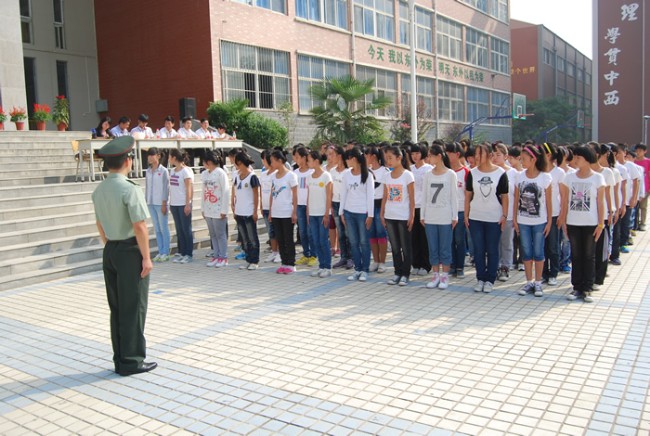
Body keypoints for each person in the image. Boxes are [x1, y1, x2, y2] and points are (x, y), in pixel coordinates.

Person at [91, 136, 156, 376]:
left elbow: (99, 223)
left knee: (117, 307)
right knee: (134, 307)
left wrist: (110, 243)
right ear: (128, 161)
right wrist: (146, 257)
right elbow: (139, 226)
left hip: (111, 250)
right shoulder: (129, 188)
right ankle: (132, 361)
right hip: (129, 250)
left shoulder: (99, 190)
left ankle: (120, 357)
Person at [559, 146, 606, 303]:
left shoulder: (597, 178)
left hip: (591, 223)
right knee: (576, 255)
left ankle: (587, 287)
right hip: (573, 222)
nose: (575, 160)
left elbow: (600, 203)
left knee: (589, 255)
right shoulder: (569, 177)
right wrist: (563, 219)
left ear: (587, 159)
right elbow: (565, 201)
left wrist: (601, 224)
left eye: (578, 157)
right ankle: (577, 287)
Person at [465, 143, 509, 294]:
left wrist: (504, 215)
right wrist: (466, 215)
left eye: (480, 154)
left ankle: (490, 280)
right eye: (476, 154)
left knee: (492, 249)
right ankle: (480, 279)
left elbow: (505, 197)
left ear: (490, 155)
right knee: (478, 250)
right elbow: (468, 195)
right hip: (475, 217)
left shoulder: (500, 173)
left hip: (494, 217)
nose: (477, 157)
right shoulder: (472, 173)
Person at [514, 145, 552, 297]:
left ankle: (538, 282)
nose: (521, 161)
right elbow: (516, 199)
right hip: (523, 220)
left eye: (524, 159)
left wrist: (549, 221)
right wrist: (515, 219)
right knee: (526, 252)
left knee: (538, 251)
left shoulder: (545, 177)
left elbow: (548, 202)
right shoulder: (519, 176)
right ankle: (529, 281)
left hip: (539, 221)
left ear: (533, 159)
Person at [421, 145, 458, 290]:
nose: (428, 158)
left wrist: (454, 216)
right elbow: (424, 196)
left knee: (444, 247)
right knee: (433, 247)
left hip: (445, 216)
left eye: (431, 155)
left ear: (439, 156)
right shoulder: (428, 175)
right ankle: (435, 275)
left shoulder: (450, 174)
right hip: (430, 216)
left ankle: (445, 276)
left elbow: (454, 197)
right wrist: (422, 215)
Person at [381, 146, 415, 286]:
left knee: (405, 247)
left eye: (390, 157)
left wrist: (412, 216)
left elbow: (412, 198)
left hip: (403, 216)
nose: (388, 161)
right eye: (386, 158)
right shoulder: (387, 176)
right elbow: (385, 196)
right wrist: (382, 213)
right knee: (395, 247)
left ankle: (405, 274)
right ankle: (397, 272)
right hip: (390, 215)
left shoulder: (408, 175)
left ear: (399, 158)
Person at [340, 147, 375, 282]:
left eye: (348, 159)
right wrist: (341, 212)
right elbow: (343, 194)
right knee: (353, 242)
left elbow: (370, 197)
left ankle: (365, 270)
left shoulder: (368, 175)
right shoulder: (346, 175)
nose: (346, 162)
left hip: (362, 214)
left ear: (353, 159)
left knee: (364, 242)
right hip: (349, 212)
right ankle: (357, 269)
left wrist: (370, 215)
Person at [269, 150, 299, 274]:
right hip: (276, 212)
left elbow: (295, 195)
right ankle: (284, 262)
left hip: (287, 212)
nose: (271, 163)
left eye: (273, 161)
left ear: (280, 161)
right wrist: (270, 211)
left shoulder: (291, 175)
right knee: (280, 239)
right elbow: (272, 194)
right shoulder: (273, 176)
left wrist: (294, 212)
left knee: (288, 239)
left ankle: (291, 264)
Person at [306, 150, 333, 277]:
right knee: (316, 241)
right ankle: (321, 265)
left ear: (316, 161)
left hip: (323, 214)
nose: (307, 162)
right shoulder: (309, 177)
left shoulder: (326, 176)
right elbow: (308, 195)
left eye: (309, 160)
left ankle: (327, 267)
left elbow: (329, 196)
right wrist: (307, 211)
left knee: (323, 240)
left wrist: (327, 214)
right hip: (312, 213)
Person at [232, 151, 261, 270]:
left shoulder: (252, 177)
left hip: (249, 212)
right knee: (244, 239)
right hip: (239, 212)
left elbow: (256, 195)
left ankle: (254, 261)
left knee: (252, 238)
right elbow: (236, 193)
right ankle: (248, 259)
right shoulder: (237, 177)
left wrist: (255, 211)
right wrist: (234, 208)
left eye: (235, 162)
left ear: (239, 162)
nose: (234, 165)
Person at [327, 145, 354, 270]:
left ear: (340, 156)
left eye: (334, 154)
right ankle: (343, 257)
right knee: (341, 233)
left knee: (349, 233)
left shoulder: (349, 172)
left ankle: (352, 258)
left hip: (347, 204)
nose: (331, 157)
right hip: (336, 204)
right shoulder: (332, 172)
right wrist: (331, 206)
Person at [492, 143, 516, 282]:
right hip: (492, 214)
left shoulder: (513, 173)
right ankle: (495, 266)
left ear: (506, 156)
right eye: (493, 155)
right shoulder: (490, 171)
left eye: (498, 155)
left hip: (508, 214)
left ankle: (505, 267)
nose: (495, 158)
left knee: (506, 242)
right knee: (494, 243)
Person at [202, 151, 230, 268]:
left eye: (204, 162)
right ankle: (216, 255)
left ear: (209, 162)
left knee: (220, 234)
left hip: (218, 209)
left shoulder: (220, 173)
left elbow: (225, 191)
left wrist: (224, 210)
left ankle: (223, 257)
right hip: (208, 209)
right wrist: (202, 208)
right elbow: (203, 191)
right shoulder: (204, 174)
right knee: (213, 234)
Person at [409, 143, 433, 276]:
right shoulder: (409, 169)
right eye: (412, 154)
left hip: (425, 207)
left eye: (417, 153)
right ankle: (416, 263)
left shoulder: (429, 169)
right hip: (412, 207)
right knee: (413, 238)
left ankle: (426, 264)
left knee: (424, 238)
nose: (415, 156)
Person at [446, 142, 469, 278]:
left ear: (457, 154)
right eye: (446, 153)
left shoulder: (466, 172)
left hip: (460, 210)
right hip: (446, 211)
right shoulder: (446, 171)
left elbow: (468, 195)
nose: (447, 155)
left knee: (459, 240)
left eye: (450, 153)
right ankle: (452, 265)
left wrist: (466, 213)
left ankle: (460, 266)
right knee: (449, 240)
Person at [366, 145, 390, 273]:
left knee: (381, 233)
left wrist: (383, 210)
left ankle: (382, 262)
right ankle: (375, 261)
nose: (365, 157)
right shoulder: (366, 171)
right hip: (369, 205)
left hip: (381, 204)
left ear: (373, 156)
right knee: (372, 233)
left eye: (367, 155)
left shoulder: (385, 171)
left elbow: (386, 192)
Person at [145, 147, 170, 262]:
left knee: (163, 227)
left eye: (152, 155)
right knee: (157, 228)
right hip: (151, 202)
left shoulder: (163, 171)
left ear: (158, 156)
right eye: (149, 155)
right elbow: (147, 187)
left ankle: (166, 251)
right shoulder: (148, 171)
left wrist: (164, 203)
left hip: (160, 203)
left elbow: (166, 188)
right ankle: (160, 251)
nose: (150, 157)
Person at [168, 149, 194, 263]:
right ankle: (182, 251)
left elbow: (189, 188)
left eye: (170, 157)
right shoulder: (172, 171)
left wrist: (188, 204)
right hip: (174, 204)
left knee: (186, 229)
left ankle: (188, 253)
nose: (168, 159)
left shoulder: (186, 172)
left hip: (183, 204)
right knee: (179, 229)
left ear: (174, 158)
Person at [260, 150, 280, 263]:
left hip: (275, 208)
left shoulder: (276, 175)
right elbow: (261, 190)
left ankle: (280, 252)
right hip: (265, 206)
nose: (263, 161)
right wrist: (261, 205)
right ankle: (274, 252)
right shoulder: (263, 174)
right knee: (270, 231)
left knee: (276, 230)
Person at [633, 143, 650, 231]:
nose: (638, 152)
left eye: (640, 151)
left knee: (643, 206)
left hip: (645, 187)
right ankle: (635, 224)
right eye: (637, 150)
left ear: (645, 151)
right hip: (634, 188)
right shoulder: (633, 161)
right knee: (635, 206)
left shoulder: (648, 161)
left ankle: (643, 223)